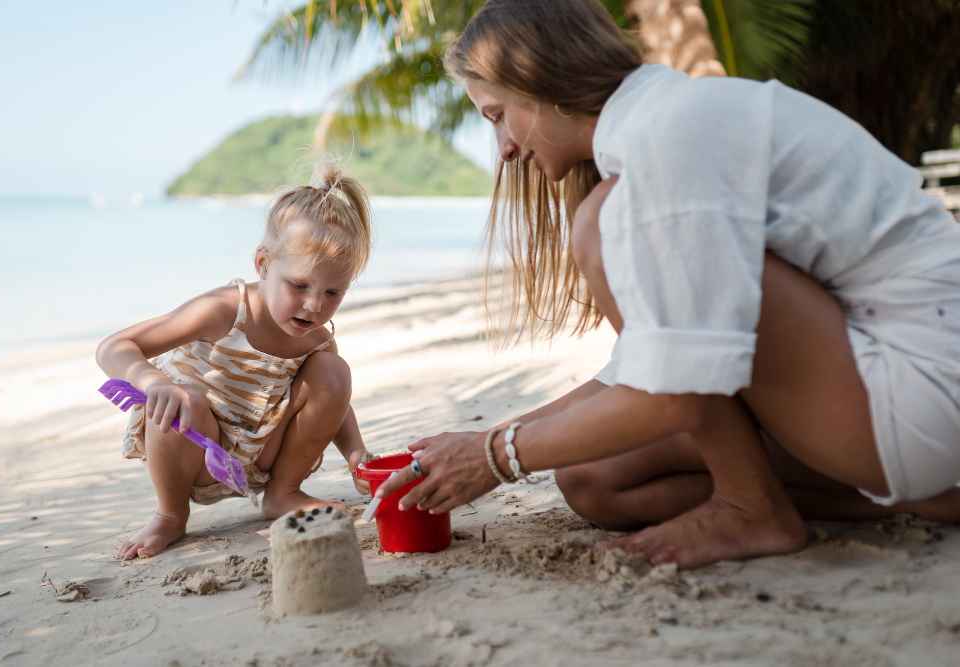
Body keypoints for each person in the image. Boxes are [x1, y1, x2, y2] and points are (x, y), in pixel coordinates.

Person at [374, 0, 960, 569]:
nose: (502, 150)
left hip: (917, 384)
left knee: (603, 224)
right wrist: (492, 437)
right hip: (892, 392)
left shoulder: (665, 141)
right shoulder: (657, 127)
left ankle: (749, 507)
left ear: (534, 76)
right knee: (594, 481)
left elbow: (680, 384)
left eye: (496, 114)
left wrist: (497, 458)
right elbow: (644, 364)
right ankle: (914, 498)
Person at [97, 164, 374, 560]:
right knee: (186, 400)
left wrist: (356, 454)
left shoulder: (316, 336)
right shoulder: (224, 310)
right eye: (299, 286)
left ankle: (282, 494)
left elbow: (336, 404)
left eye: (333, 292)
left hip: (262, 457)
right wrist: (153, 382)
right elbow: (114, 347)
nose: (314, 305)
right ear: (263, 264)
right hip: (195, 446)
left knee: (334, 371)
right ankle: (170, 514)